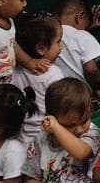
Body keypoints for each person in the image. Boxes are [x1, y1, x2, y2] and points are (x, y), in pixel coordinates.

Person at [9, 13, 66, 141]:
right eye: (58, 41)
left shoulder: (14, 71)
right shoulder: (54, 74)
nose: (61, 46)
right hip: (44, 136)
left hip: (19, 136)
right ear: (41, 48)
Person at [53, 0, 100, 106]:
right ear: (80, 16)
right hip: (78, 97)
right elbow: (90, 69)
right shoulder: (83, 36)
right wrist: (98, 89)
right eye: (86, 24)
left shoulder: (48, 35)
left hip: (54, 95)